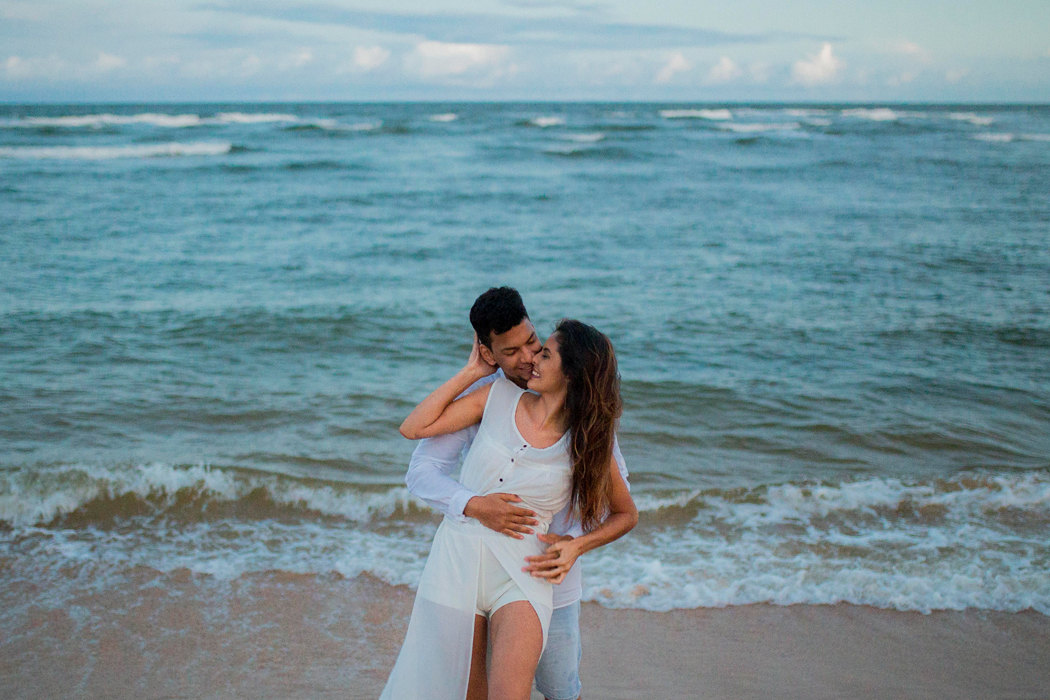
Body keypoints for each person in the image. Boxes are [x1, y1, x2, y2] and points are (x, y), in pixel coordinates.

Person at [380, 303, 637, 700]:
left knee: (558, 687)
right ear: (490, 354)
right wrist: (475, 503)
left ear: (569, 372)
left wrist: (575, 546)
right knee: (465, 690)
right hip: (461, 559)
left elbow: (624, 511)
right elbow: (415, 439)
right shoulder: (492, 394)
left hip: (534, 570)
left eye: (538, 347)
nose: (530, 358)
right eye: (513, 352)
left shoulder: (591, 437)